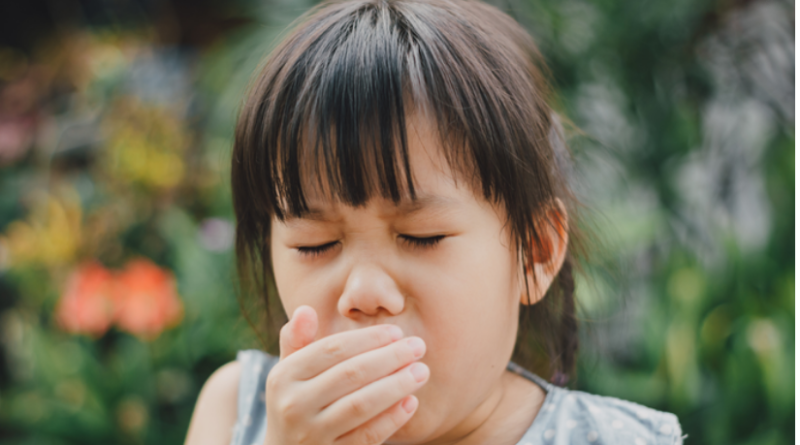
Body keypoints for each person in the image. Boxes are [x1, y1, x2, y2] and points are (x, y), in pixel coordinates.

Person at [184, 0, 684, 444]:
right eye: (314, 244)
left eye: (420, 237)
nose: (363, 291)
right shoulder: (235, 410)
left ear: (535, 252)